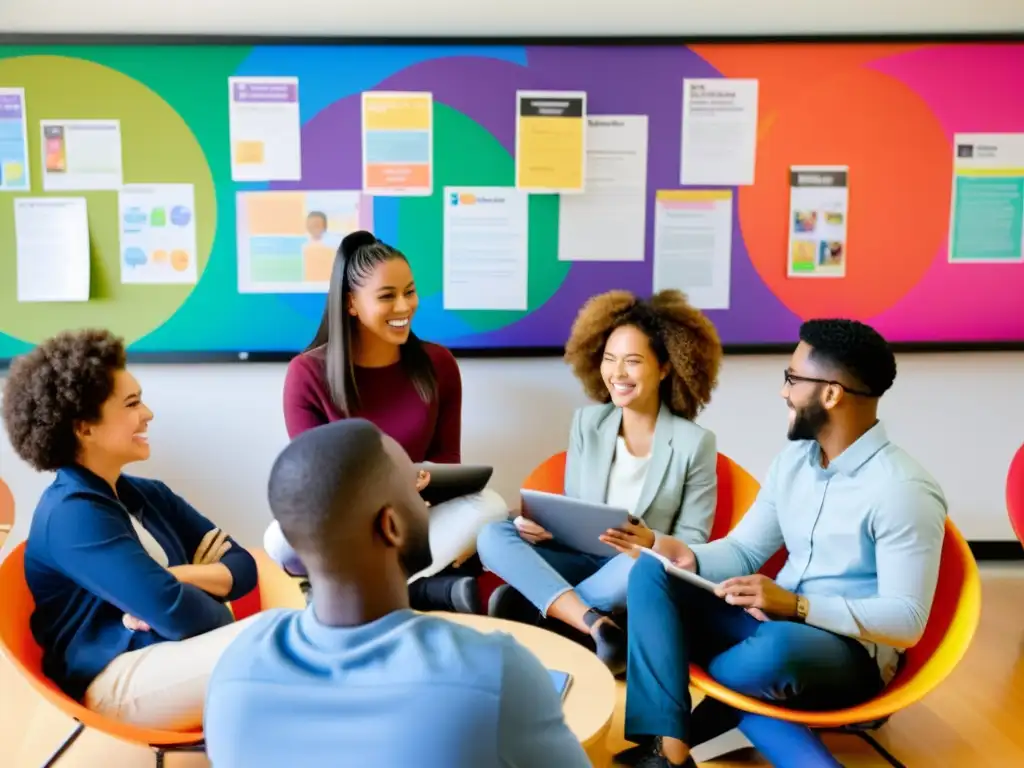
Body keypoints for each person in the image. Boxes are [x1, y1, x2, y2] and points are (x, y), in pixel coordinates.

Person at [616, 319, 948, 768]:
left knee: (772, 651)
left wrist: (798, 607)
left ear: (831, 394)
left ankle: (675, 727)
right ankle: (671, 754)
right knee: (652, 571)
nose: (783, 392)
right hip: (767, 624)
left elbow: (907, 622)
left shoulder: (903, 489)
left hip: (845, 654)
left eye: (792, 379)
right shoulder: (793, 461)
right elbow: (744, 552)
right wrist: (689, 556)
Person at [205, 418, 591, 767]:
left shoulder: (236, 667)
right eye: (415, 489)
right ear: (390, 525)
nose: (426, 503)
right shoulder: (495, 671)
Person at [1, 329, 260, 730]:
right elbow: (185, 617)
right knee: (275, 641)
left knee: (286, 641)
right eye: (132, 403)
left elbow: (245, 568)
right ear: (84, 427)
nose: (149, 414)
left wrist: (175, 578)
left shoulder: (147, 495)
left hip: (173, 656)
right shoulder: (72, 516)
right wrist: (197, 592)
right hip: (114, 680)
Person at [477, 289, 722, 675]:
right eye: (609, 359)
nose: (617, 374)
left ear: (664, 367)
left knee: (649, 566)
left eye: (633, 362)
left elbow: (692, 546)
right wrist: (542, 529)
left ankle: (549, 612)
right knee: (492, 534)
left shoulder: (695, 443)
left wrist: (650, 541)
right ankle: (596, 624)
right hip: (576, 559)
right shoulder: (587, 424)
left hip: (633, 569)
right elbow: (576, 508)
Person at [263, 231, 508, 614]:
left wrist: (424, 484)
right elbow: (310, 482)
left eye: (409, 292)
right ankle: (419, 591)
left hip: (414, 515)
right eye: (387, 296)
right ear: (351, 305)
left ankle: (347, 591)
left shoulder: (438, 365)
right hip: (343, 521)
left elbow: (447, 459)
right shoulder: (306, 373)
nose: (404, 306)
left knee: (490, 506)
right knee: (278, 538)